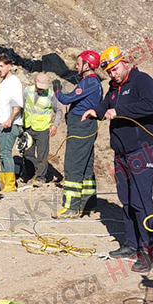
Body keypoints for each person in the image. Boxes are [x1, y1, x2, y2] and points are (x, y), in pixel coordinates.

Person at [82, 46, 153, 272]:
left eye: (115, 68)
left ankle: (148, 251)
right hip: (122, 153)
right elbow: (105, 105)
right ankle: (131, 243)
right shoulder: (114, 88)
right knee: (126, 199)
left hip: (143, 150)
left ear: (125, 62)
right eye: (109, 71)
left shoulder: (142, 81)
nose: (113, 74)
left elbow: (150, 105)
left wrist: (120, 111)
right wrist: (94, 112)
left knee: (141, 201)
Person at [54, 50, 103, 218]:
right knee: (86, 165)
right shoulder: (90, 81)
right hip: (85, 126)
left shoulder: (89, 82)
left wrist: (57, 91)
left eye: (79, 63)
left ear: (87, 66)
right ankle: (88, 203)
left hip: (80, 127)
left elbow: (66, 99)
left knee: (73, 165)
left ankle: (71, 207)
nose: (76, 66)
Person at [22, 73, 63, 184]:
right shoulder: (27, 91)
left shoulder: (50, 94)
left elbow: (59, 110)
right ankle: (30, 176)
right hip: (28, 127)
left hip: (42, 129)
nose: (41, 90)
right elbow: (21, 107)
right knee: (28, 154)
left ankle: (40, 178)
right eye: (39, 87)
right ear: (35, 82)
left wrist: (55, 125)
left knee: (42, 155)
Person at [0, 53, 23, 193]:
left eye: (2, 66)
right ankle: (4, 185)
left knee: (6, 153)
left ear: (9, 66)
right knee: (2, 153)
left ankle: (10, 185)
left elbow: (17, 106)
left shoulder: (14, 82)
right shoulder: (4, 83)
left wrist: (9, 120)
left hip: (10, 124)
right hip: (3, 123)